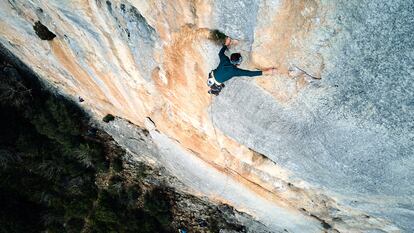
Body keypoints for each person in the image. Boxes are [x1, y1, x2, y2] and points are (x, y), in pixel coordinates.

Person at [207, 37, 276, 95]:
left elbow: (220, 53)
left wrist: (226, 43)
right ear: (238, 63)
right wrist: (266, 72)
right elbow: (249, 74)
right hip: (215, 80)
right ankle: (213, 91)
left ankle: (212, 88)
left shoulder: (225, 59)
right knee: (217, 89)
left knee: (216, 83)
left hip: (212, 75)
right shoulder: (235, 71)